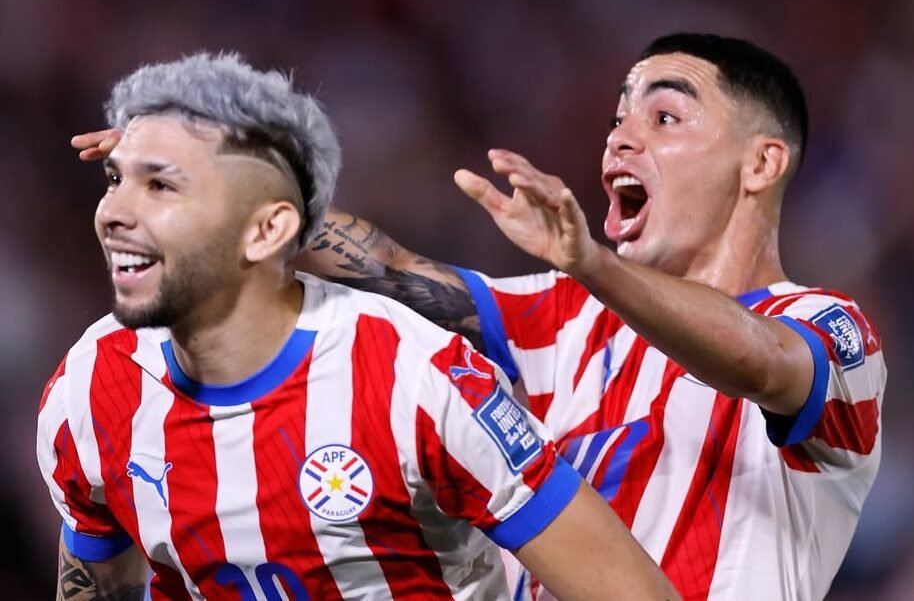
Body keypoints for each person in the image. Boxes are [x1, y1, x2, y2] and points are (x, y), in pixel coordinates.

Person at [69, 33, 886, 600]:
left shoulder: (832, 332)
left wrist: (593, 264)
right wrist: (211, 177)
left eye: (663, 117)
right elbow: (391, 268)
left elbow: (759, 359)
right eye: (616, 119)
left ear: (761, 162)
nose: (619, 140)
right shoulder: (563, 317)